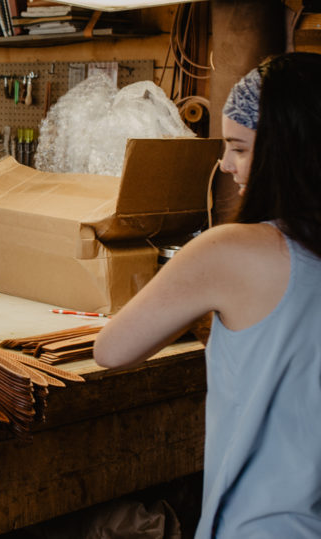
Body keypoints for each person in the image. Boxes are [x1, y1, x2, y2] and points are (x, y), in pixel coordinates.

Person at [93, 52, 321, 537]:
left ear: (288, 151)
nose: (225, 163)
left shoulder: (231, 250)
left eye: (239, 148)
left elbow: (111, 350)